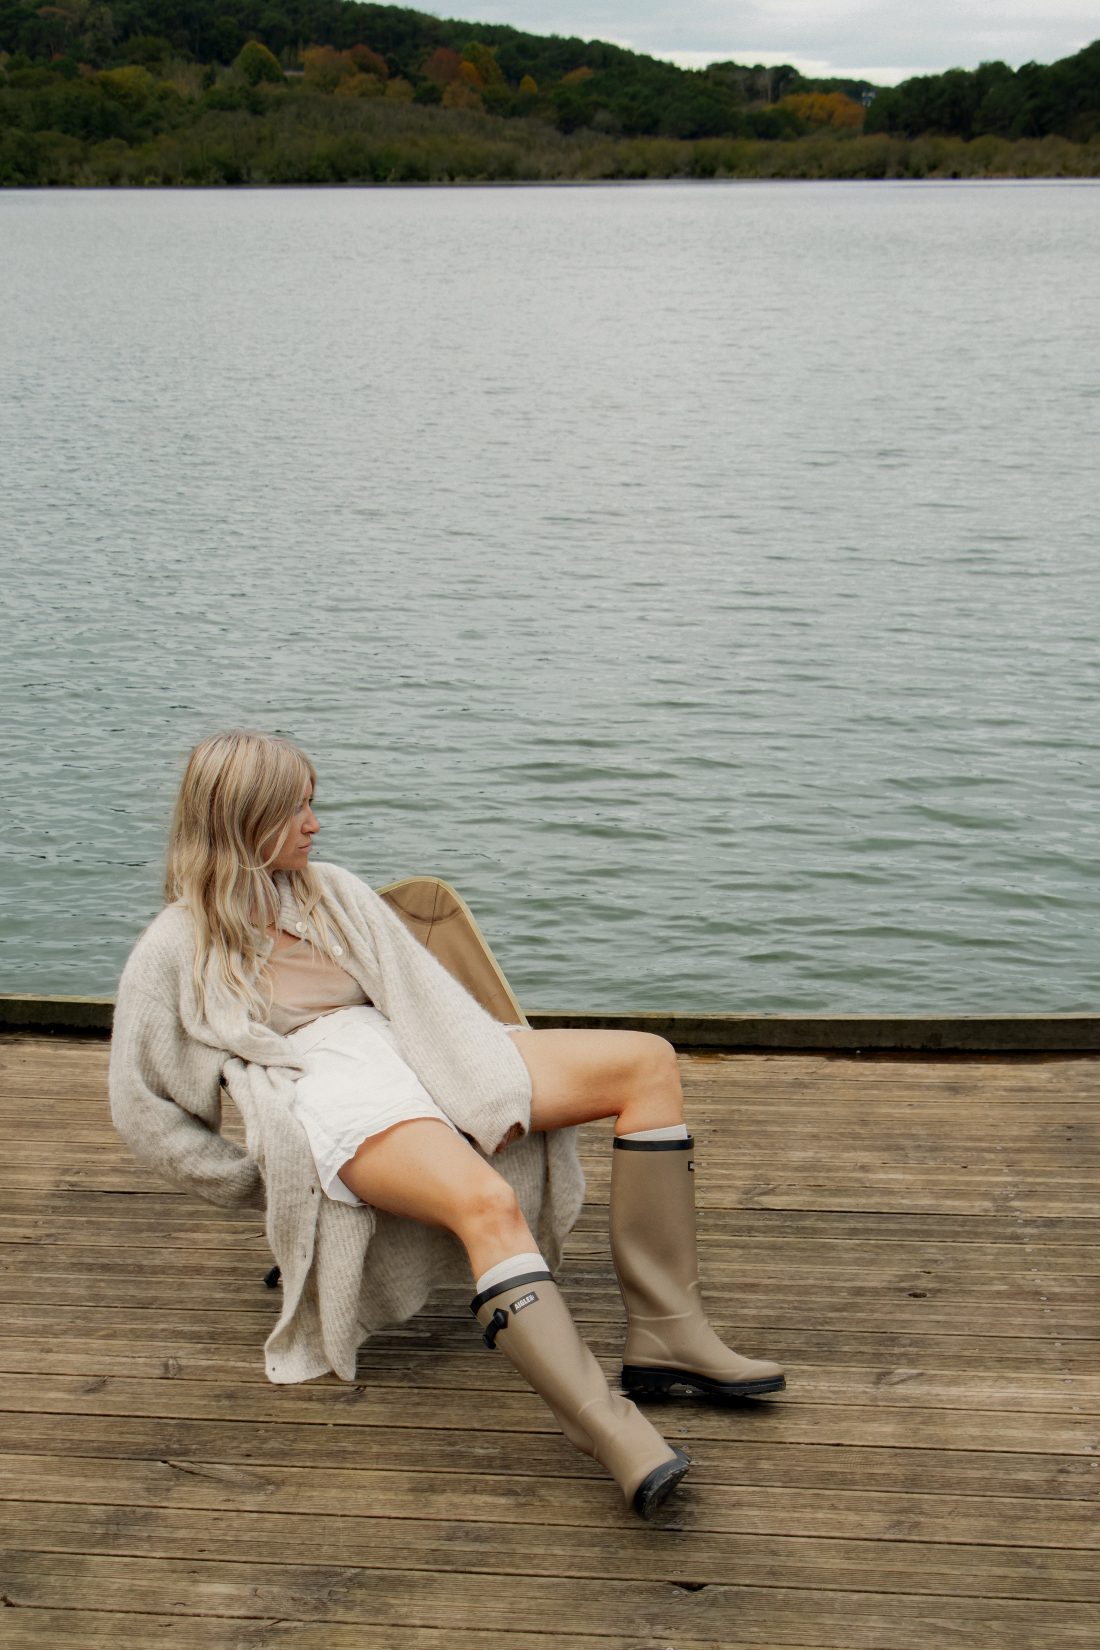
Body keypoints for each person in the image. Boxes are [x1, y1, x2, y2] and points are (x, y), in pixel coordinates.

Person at [109, 731, 784, 1520]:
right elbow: (143, 1112)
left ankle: (670, 1335)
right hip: (339, 1091)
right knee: (485, 1206)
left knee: (648, 1064)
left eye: (311, 803)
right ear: (243, 816)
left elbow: (428, 998)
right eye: (297, 807)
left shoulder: (330, 891)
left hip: (427, 1050)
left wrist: (481, 1085)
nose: (315, 823)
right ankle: (604, 1424)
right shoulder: (174, 948)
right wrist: (264, 1182)